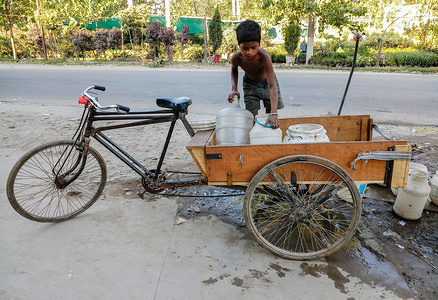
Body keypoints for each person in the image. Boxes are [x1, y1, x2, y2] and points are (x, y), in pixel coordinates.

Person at [227, 20, 284, 129]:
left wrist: (274, 114)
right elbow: (234, 70)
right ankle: (254, 134)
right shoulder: (236, 58)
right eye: (245, 48)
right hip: (250, 84)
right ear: (239, 45)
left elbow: (272, 86)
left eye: (253, 47)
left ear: (259, 44)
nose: (249, 52)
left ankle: (269, 133)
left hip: (267, 84)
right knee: (251, 116)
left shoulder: (264, 57)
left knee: (270, 114)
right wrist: (234, 88)